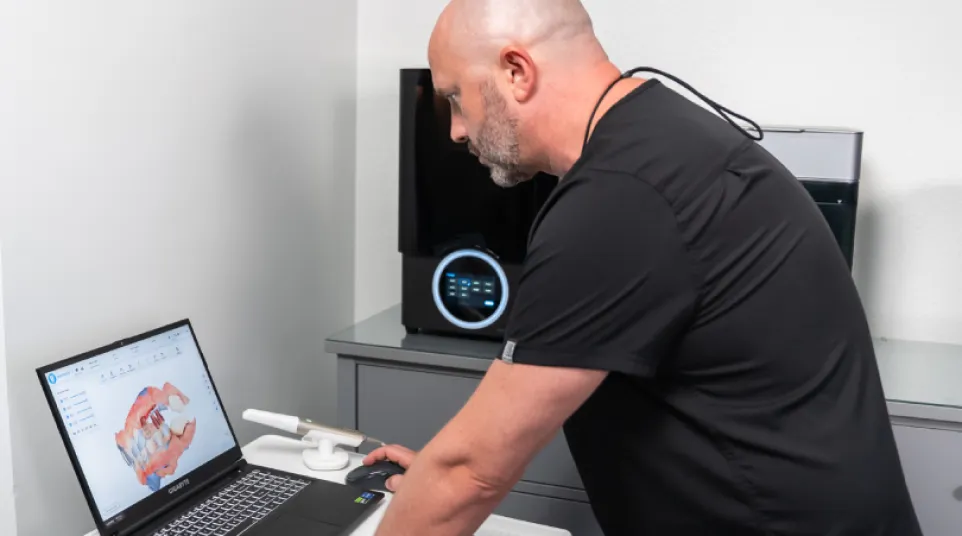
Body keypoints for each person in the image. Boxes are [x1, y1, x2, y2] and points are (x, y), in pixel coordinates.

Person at [364, 0, 923, 534]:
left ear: (517, 71)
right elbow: (473, 459)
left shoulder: (619, 200)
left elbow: (472, 473)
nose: (456, 130)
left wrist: (447, 484)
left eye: (456, 98)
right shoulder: (666, 138)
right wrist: (434, 486)